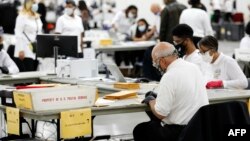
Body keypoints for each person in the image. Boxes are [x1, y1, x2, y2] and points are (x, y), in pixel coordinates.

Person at [133, 42, 209, 141]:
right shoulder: (194, 68)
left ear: (162, 61)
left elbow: (161, 113)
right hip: (200, 128)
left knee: (140, 130)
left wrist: (151, 101)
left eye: (155, 63)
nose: (156, 66)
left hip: (180, 132)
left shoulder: (169, 76)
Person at [14, 0, 43, 71]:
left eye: (36, 3)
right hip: (25, 49)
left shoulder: (37, 17)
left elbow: (39, 32)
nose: (36, 5)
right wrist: (20, 50)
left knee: (34, 72)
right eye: (34, 3)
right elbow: (18, 33)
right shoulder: (22, 17)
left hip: (35, 49)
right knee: (27, 72)